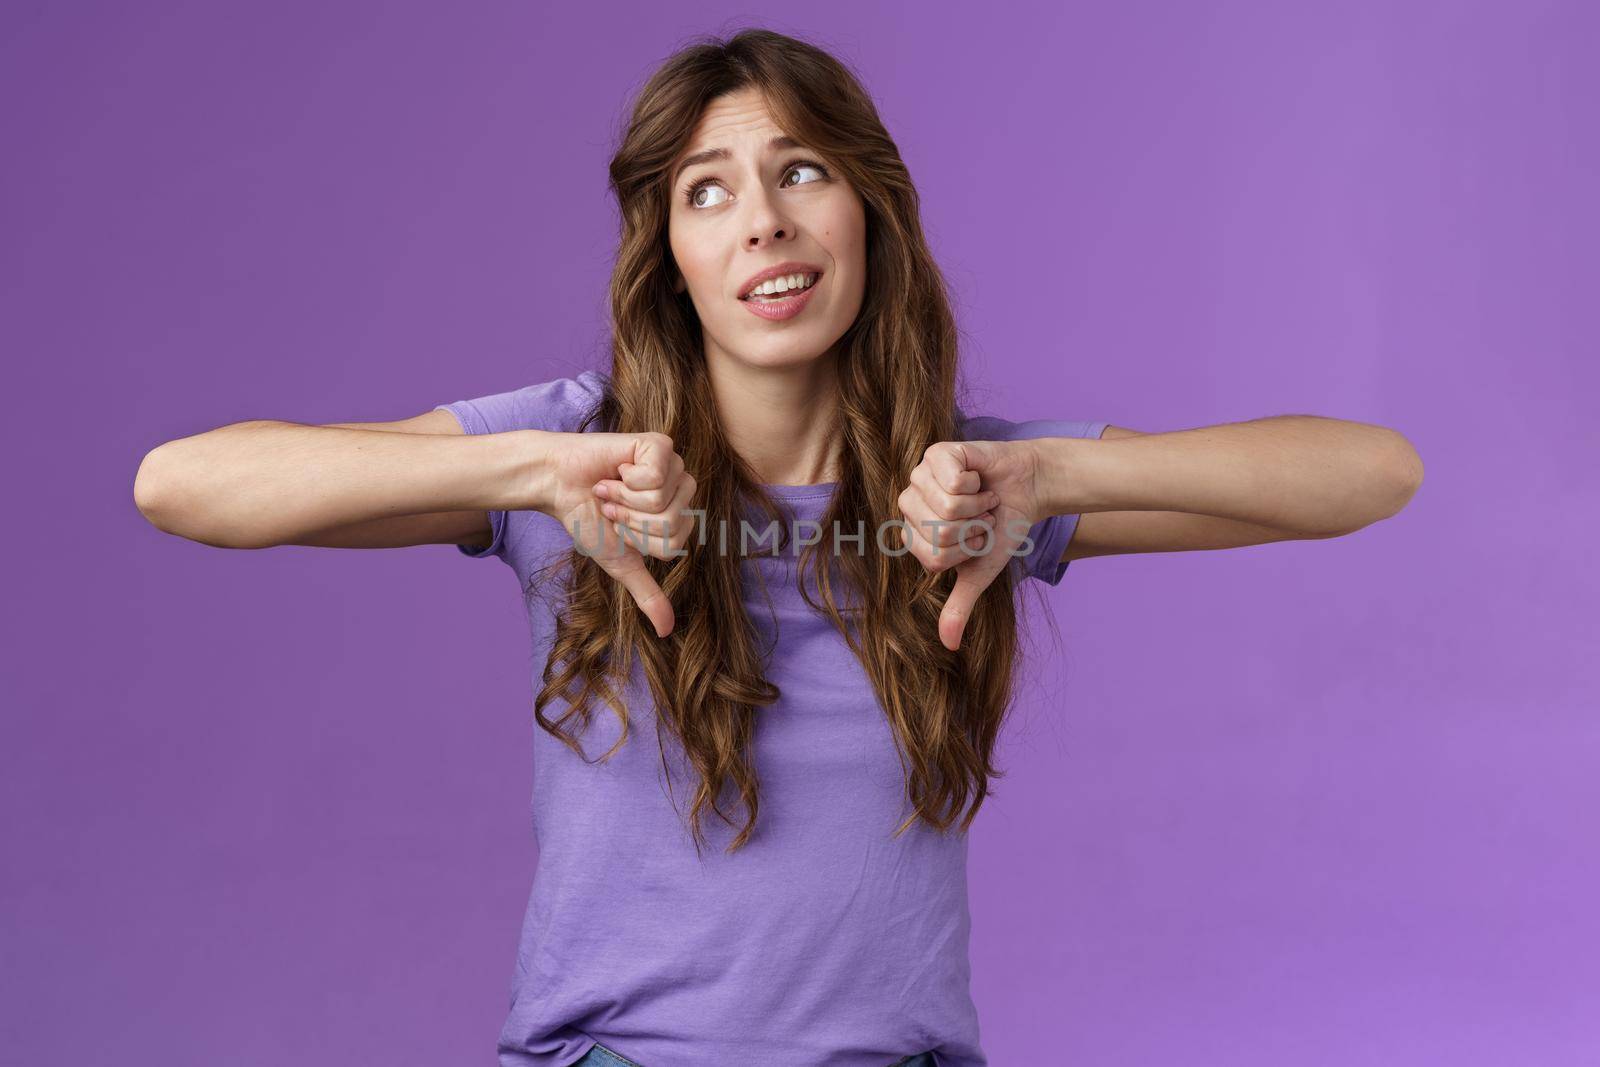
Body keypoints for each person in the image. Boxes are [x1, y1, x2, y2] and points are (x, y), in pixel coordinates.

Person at [132, 27, 1424, 1067]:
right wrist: (524, 471)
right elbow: (183, 484)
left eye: (800, 169)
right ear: (674, 257)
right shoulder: (569, 456)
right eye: (708, 191)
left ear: (869, 208)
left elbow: (1372, 473)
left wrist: (1058, 474)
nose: (762, 220)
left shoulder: (971, 487)